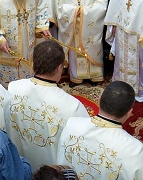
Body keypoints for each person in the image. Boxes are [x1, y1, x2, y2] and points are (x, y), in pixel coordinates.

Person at [5, 40, 87, 171]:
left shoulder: (13, 89)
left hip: (20, 167)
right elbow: (83, 148)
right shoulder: (72, 107)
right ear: (59, 68)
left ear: (34, 63)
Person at [55, 0, 108, 83]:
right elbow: (58, 6)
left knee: (93, 46)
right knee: (75, 51)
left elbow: (102, 3)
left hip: (90, 25)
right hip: (73, 26)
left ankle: (95, 75)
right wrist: (74, 11)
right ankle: (76, 75)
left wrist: (84, 11)